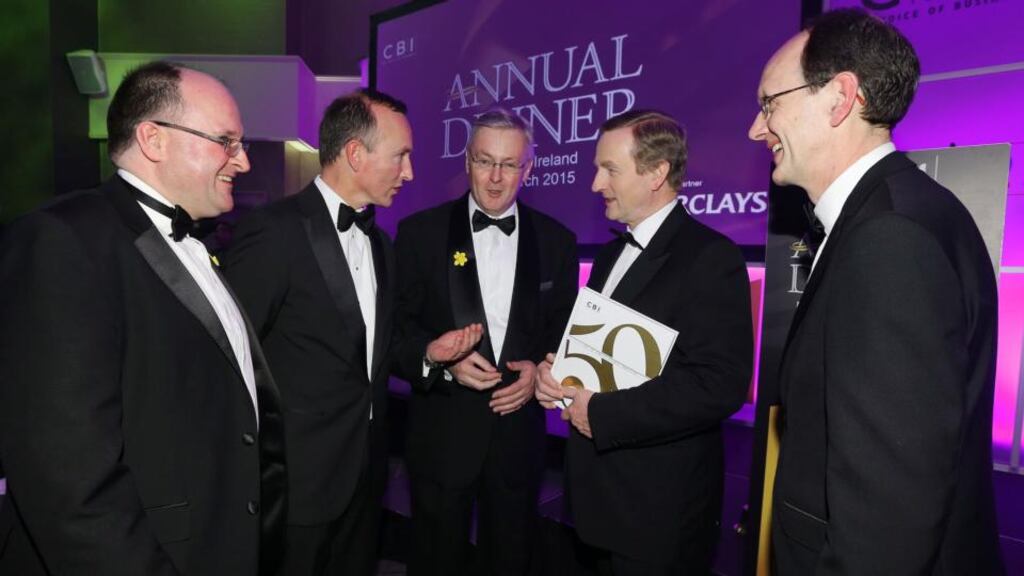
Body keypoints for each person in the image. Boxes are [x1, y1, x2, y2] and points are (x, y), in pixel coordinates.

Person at [0, 61, 286, 575]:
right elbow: (68, 477)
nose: (243, 162)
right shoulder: (62, 242)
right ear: (154, 139)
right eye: (227, 141)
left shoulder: (205, 245)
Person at [747, 8, 1003, 574]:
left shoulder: (889, 239)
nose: (756, 129)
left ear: (840, 97)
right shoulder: (904, 211)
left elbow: (888, 517)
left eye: (770, 104)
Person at [221, 89, 482, 576]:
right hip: (296, 482)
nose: (410, 173)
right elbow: (229, 357)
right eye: (401, 156)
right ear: (356, 154)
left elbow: (374, 353)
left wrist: (429, 353)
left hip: (367, 481)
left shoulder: (382, 243)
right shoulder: (275, 231)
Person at [536, 109, 753, 575]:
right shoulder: (612, 253)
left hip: (658, 514)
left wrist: (600, 412)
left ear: (657, 173)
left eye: (609, 169)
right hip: (595, 505)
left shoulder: (712, 258)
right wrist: (556, 376)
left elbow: (720, 384)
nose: (596, 184)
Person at [392, 108, 578, 575]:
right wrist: (442, 361)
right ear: (467, 159)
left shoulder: (558, 242)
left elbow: (564, 331)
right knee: (435, 560)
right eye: (484, 161)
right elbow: (396, 332)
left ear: (528, 169)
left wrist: (539, 370)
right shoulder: (419, 234)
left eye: (509, 164)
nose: (495, 178)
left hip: (518, 438)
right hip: (442, 435)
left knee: (511, 559)